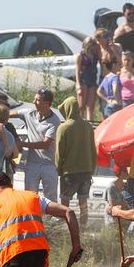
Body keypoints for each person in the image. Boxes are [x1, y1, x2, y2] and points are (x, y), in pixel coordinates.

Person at [55, 96, 96, 227]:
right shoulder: (88, 126)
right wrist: (91, 169)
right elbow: (93, 151)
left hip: (69, 173)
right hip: (86, 172)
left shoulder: (63, 128)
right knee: (83, 202)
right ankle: (83, 230)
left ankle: (67, 231)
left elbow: (59, 153)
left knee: (65, 203)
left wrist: (59, 170)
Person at [17, 88, 61, 202]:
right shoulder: (29, 113)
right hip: (32, 163)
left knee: (50, 200)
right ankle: (32, 219)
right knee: (29, 197)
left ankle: (49, 219)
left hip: (49, 164)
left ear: (46, 104)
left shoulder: (54, 120)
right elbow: (8, 114)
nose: (34, 102)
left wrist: (22, 144)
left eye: (37, 100)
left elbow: (46, 144)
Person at [75, 37, 99, 120]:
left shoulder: (95, 55)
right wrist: (78, 84)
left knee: (90, 106)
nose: (93, 46)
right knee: (81, 106)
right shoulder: (81, 55)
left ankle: (90, 125)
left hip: (92, 80)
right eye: (91, 44)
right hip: (83, 80)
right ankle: (80, 123)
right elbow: (77, 71)